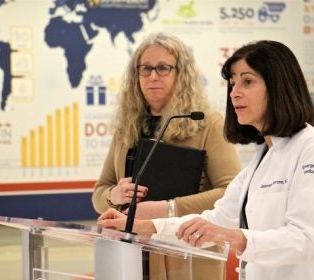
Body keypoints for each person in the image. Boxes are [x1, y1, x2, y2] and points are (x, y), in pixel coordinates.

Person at [98, 40, 314, 280]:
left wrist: (235, 237)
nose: (234, 93)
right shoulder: (263, 156)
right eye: (232, 83)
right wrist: (144, 226)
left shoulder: (313, 147)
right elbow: (215, 220)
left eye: (247, 82)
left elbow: (303, 238)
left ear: (279, 86)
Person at [92, 32, 242, 279]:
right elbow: (99, 194)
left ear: (181, 74)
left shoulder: (207, 123)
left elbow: (230, 191)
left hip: (186, 257)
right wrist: (113, 195)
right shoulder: (127, 126)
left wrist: (168, 208)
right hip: (128, 254)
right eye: (146, 68)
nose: (152, 76)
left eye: (163, 68)